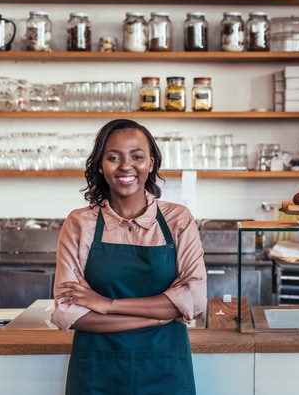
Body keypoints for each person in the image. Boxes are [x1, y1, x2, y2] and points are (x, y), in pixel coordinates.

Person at [51, 119, 206, 395]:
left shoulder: (178, 220)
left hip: (166, 370)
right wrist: (161, 314)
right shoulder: (79, 224)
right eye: (113, 157)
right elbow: (70, 314)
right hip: (96, 373)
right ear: (100, 164)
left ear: (151, 163)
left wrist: (106, 304)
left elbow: (194, 301)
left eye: (137, 156)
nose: (126, 166)